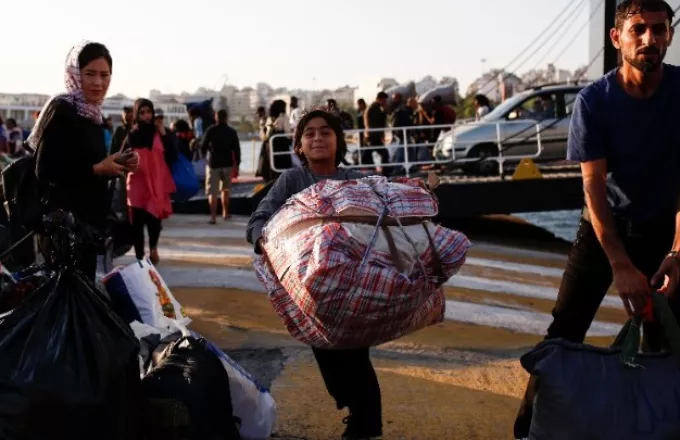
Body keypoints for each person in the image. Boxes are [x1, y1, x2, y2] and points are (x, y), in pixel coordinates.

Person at [513, 1, 680, 438]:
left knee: (671, 333)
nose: (650, 39)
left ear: (670, 35)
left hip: (666, 229)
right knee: (564, 331)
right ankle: (529, 420)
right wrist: (621, 265)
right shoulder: (595, 101)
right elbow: (593, 189)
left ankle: (658, 420)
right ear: (617, 38)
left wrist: (678, 252)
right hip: (605, 228)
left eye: (659, 30)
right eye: (639, 29)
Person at [246, 110, 382, 440]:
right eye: (309, 134)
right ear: (299, 145)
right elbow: (258, 221)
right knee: (328, 357)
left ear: (338, 141)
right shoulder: (291, 181)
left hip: (354, 286)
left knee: (356, 354)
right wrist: (267, 243)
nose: (318, 138)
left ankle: (366, 424)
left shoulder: (356, 180)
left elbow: (382, 221)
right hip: (311, 293)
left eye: (325, 132)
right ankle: (355, 410)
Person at [30, 41, 139, 279]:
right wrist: (98, 168)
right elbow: (46, 170)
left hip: (87, 228)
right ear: (75, 74)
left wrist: (117, 161)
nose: (98, 83)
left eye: (104, 75)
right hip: (63, 230)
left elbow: (86, 162)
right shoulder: (63, 109)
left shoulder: (92, 113)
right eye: (89, 74)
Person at [122, 98, 177, 265]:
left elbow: (173, 155)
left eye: (149, 112)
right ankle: (139, 257)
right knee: (136, 224)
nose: (146, 116)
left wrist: (164, 133)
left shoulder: (160, 133)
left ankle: (153, 248)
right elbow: (120, 158)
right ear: (137, 115)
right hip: (137, 185)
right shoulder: (132, 135)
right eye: (142, 113)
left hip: (157, 184)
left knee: (154, 220)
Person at [201, 109, 241, 223]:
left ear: (216, 117)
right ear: (226, 118)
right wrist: (237, 163)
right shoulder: (232, 132)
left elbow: (203, 147)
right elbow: (237, 149)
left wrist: (206, 154)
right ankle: (225, 213)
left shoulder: (210, 130)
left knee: (212, 192)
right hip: (227, 164)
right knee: (225, 190)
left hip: (213, 163)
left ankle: (213, 217)